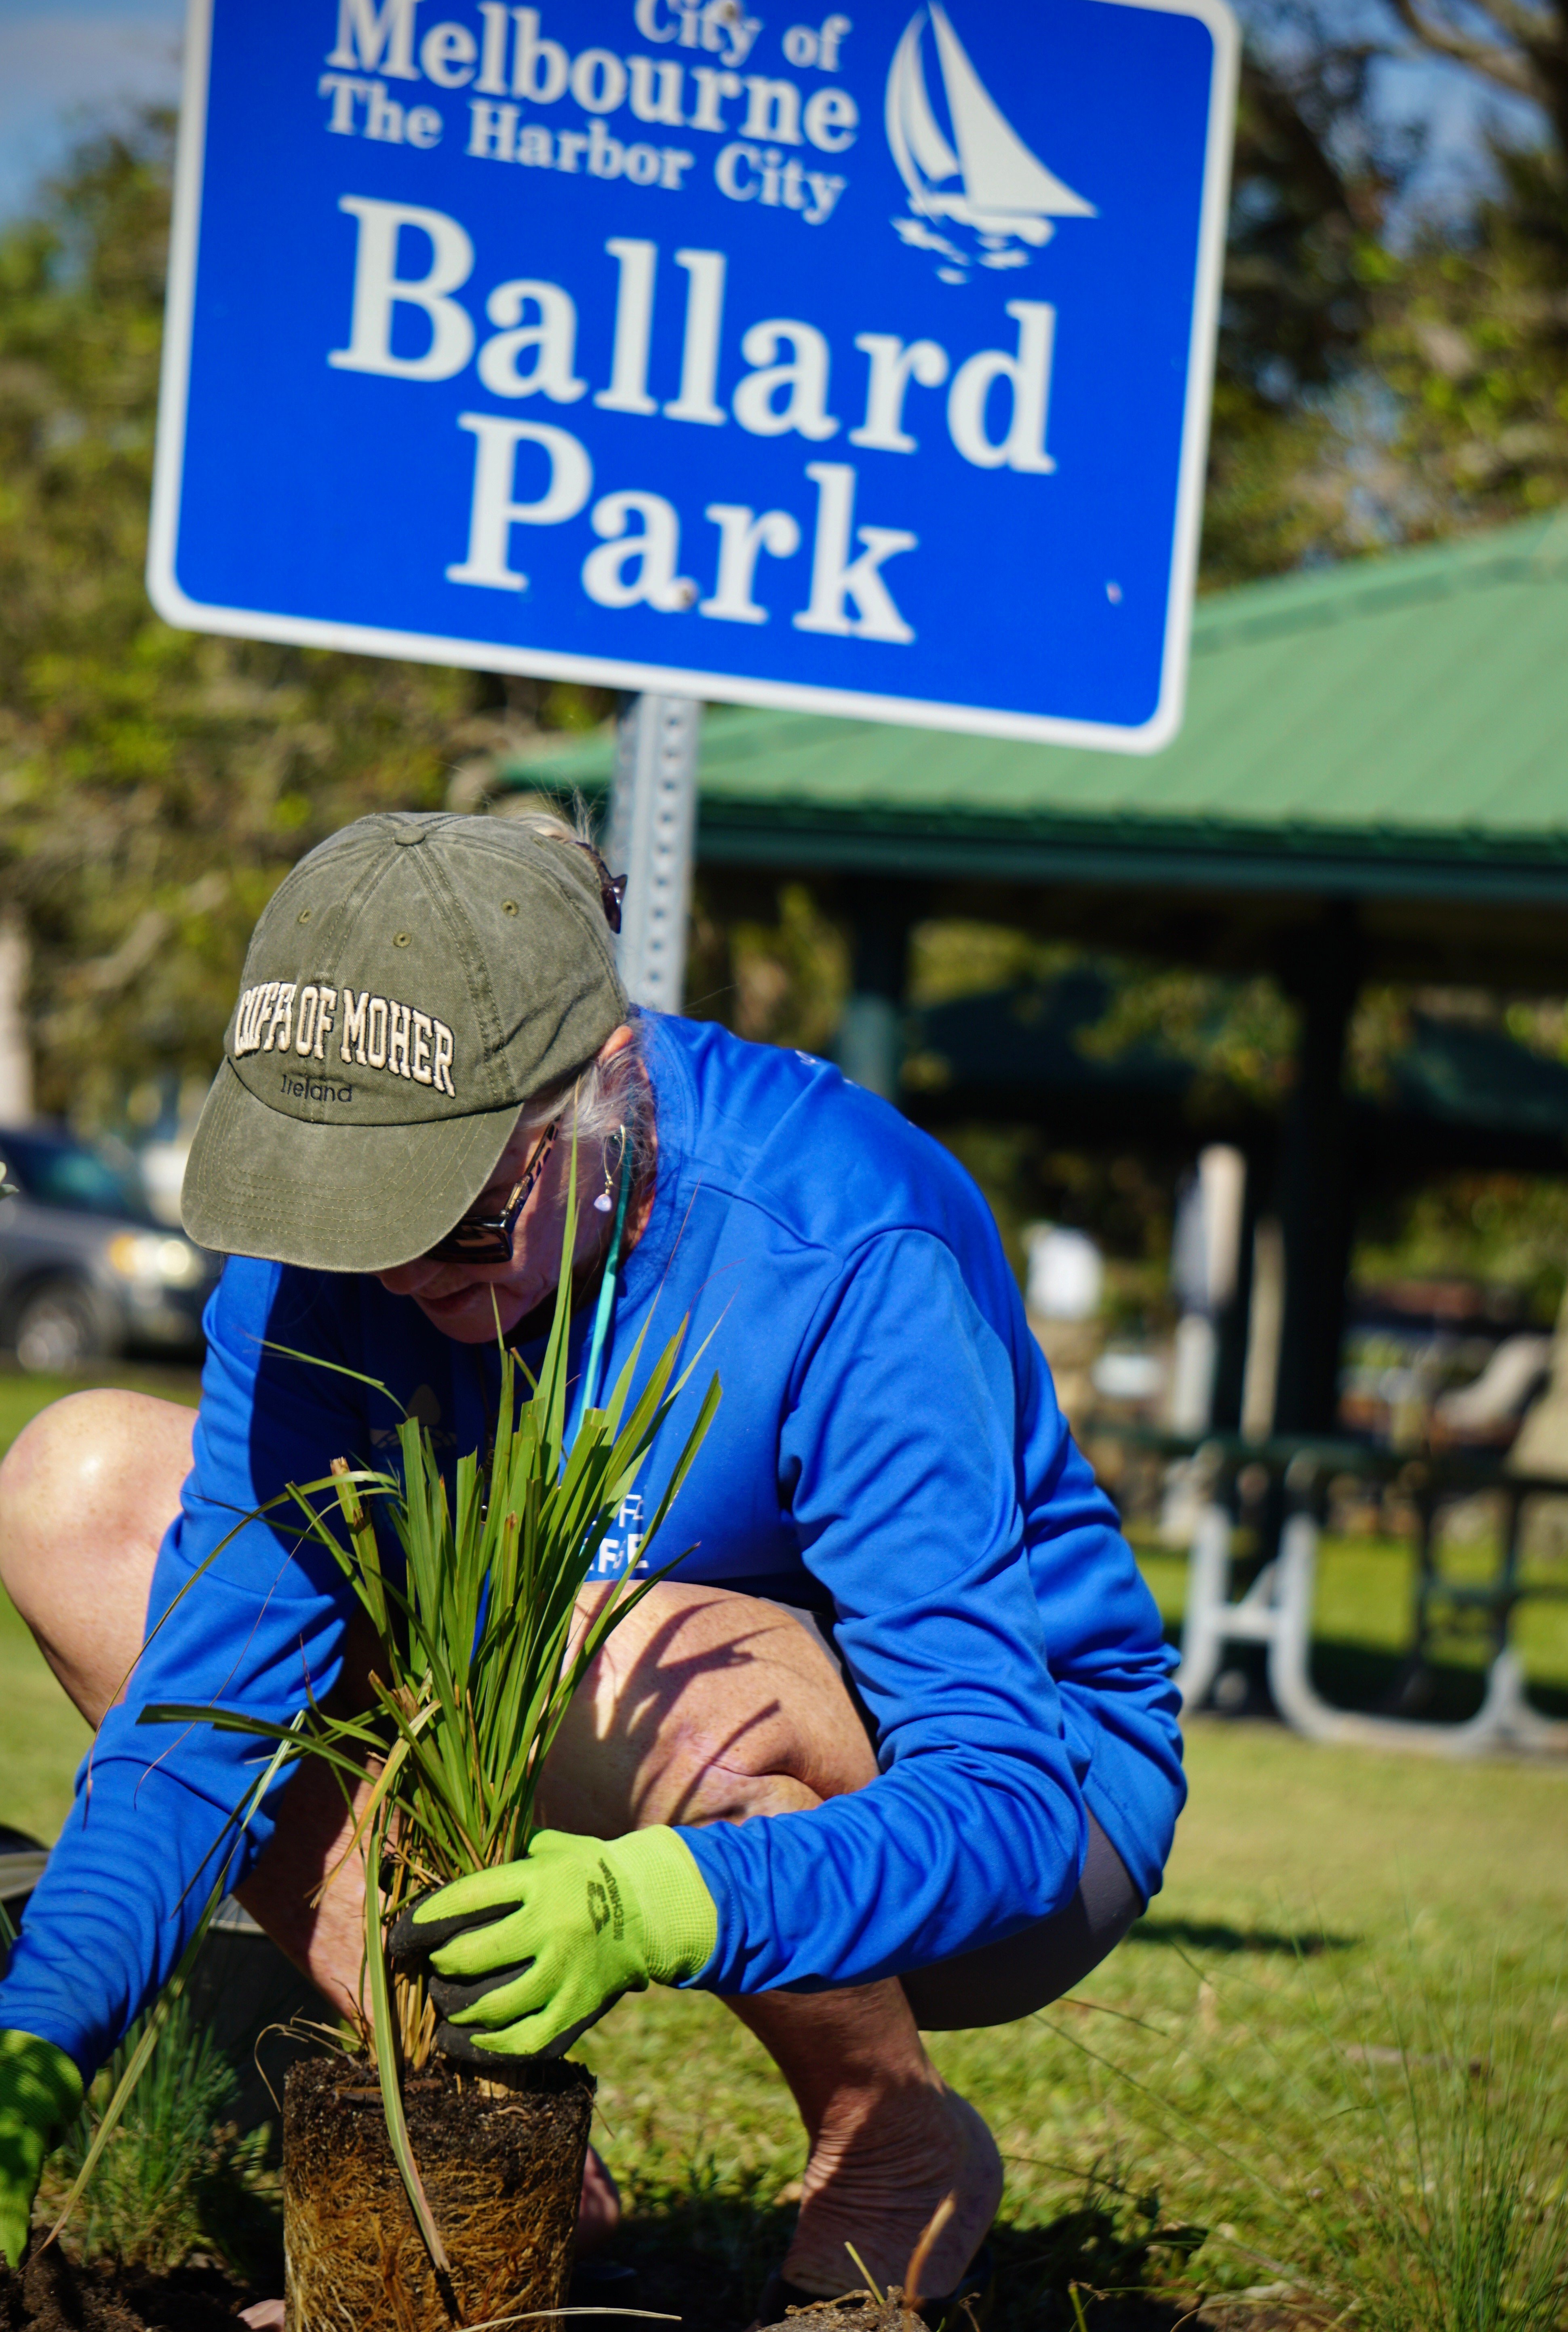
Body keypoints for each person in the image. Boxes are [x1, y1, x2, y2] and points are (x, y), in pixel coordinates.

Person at [0, 810, 1183, 2318]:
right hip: (552, 1688)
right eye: (360, 1226)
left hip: (1017, 1819)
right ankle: (463, 2148)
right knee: (82, 1491)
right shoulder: (334, 1276)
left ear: (605, 1095)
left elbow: (1006, 1801)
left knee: (632, 1657)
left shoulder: (840, 1240)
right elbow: (202, 1724)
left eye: (464, 1217)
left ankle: (890, 2145)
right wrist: (41, 2032)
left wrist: (667, 1906)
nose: (409, 1276)